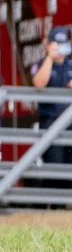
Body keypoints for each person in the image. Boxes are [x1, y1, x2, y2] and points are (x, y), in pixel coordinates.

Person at [32, 26, 72, 177]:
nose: (60, 48)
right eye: (56, 44)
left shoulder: (70, 65)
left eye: (64, 44)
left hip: (70, 123)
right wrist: (49, 58)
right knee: (55, 167)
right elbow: (39, 83)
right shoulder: (40, 63)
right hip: (50, 121)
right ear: (48, 45)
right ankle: (51, 199)